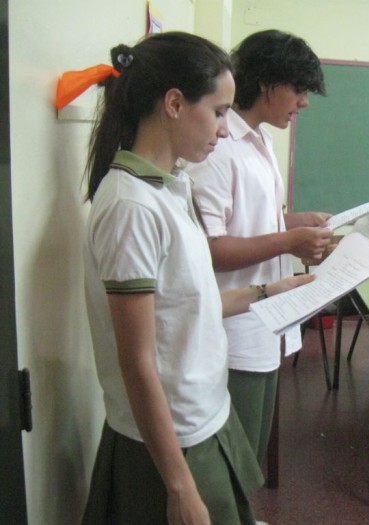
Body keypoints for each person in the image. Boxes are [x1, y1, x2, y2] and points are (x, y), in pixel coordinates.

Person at [81, 32, 312, 524]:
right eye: (219, 111)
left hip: (203, 414)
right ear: (174, 104)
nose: (225, 130)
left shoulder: (171, 187)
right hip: (173, 438)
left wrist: (272, 291)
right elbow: (137, 362)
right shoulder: (130, 207)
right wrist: (180, 487)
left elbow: (188, 304)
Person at [188, 29, 331, 466]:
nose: (304, 102)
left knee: (253, 450)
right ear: (267, 84)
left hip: (268, 319)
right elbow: (211, 248)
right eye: (299, 90)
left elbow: (251, 222)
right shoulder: (219, 148)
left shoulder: (260, 140)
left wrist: (296, 224)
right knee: (237, 456)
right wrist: (289, 240)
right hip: (236, 328)